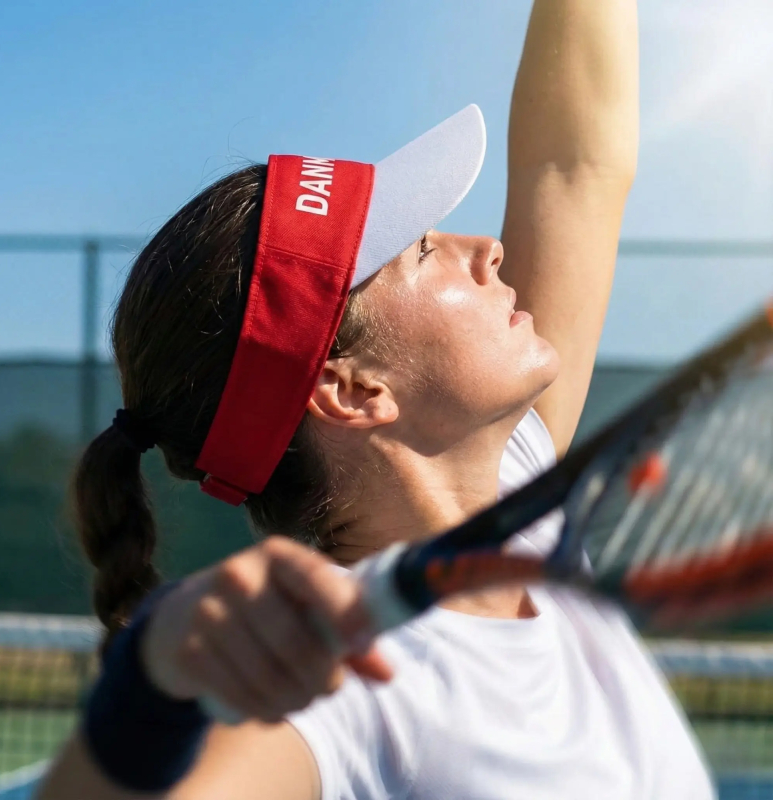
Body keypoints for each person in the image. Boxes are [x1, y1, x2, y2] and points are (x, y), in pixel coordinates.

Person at [39, 1, 716, 798]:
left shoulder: (519, 488)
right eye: (423, 250)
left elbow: (574, 168)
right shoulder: (334, 687)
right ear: (352, 389)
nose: (485, 249)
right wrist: (142, 706)